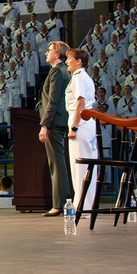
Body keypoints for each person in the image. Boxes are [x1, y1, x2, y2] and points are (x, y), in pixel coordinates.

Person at [38, 40, 71, 216]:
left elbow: (53, 100)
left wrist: (44, 124)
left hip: (54, 122)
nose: (46, 53)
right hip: (58, 121)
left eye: (49, 50)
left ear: (57, 54)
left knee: (56, 165)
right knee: (57, 164)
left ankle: (59, 204)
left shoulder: (58, 72)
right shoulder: (59, 71)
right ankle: (62, 201)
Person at [65, 48, 97, 213]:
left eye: (69, 58)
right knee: (88, 166)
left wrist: (74, 127)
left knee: (79, 168)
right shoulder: (86, 77)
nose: (66, 61)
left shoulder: (78, 77)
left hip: (80, 122)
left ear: (79, 61)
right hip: (88, 123)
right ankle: (87, 204)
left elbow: (80, 102)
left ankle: (82, 205)